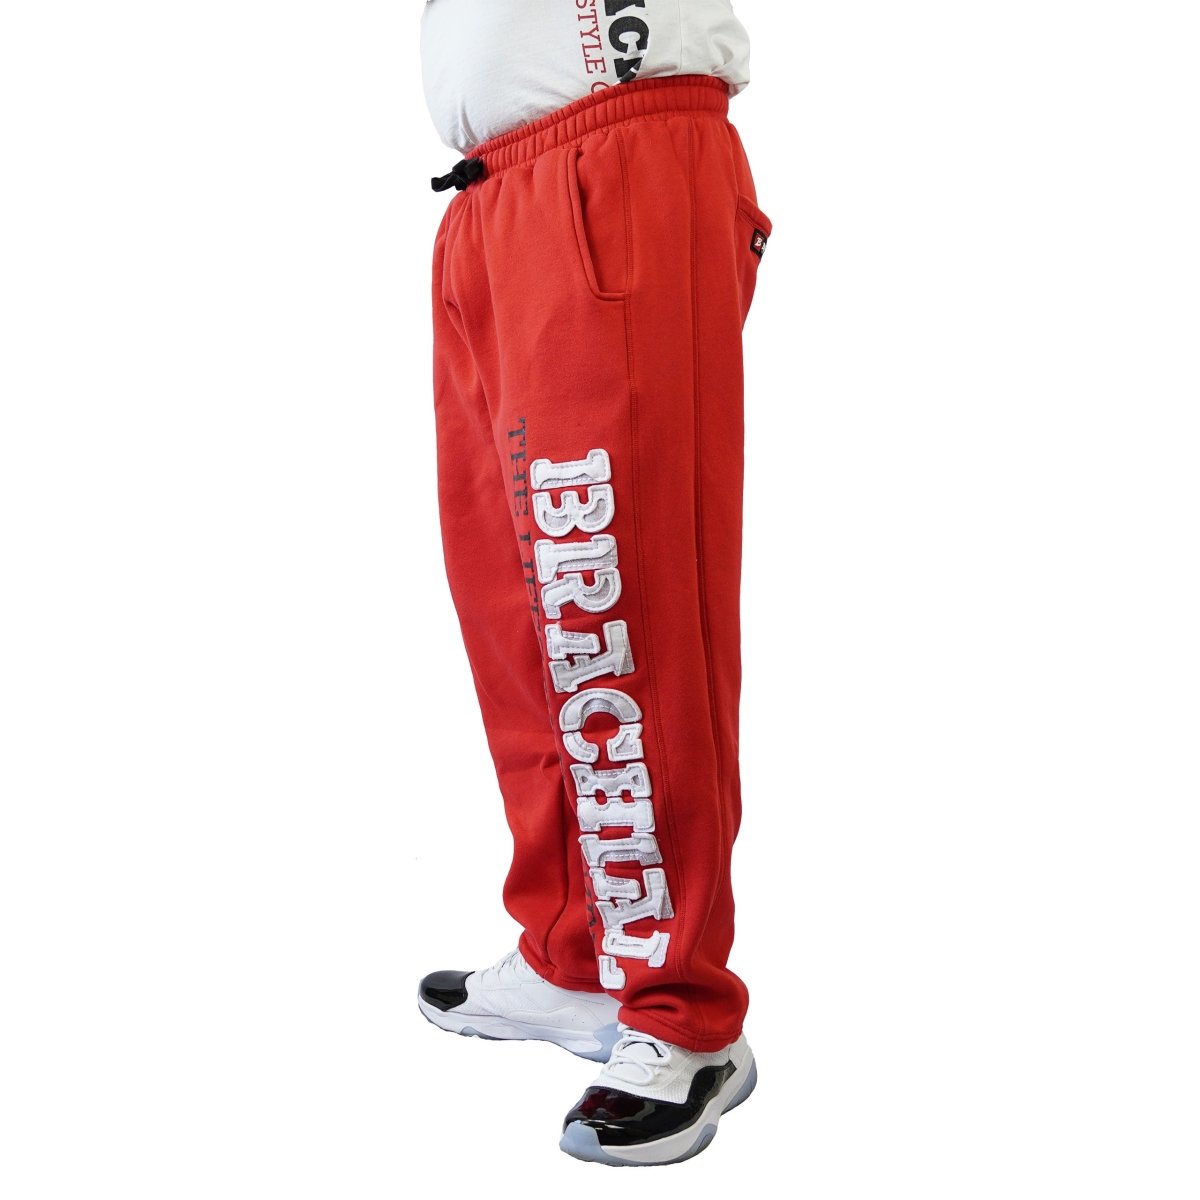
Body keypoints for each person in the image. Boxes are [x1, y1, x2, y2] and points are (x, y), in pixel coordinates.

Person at [416, 0, 771, 1166]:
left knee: (614, 612)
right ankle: (573, 954)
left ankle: (683, 1013)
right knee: (516, 614)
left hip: (612, 145)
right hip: (496, 188)